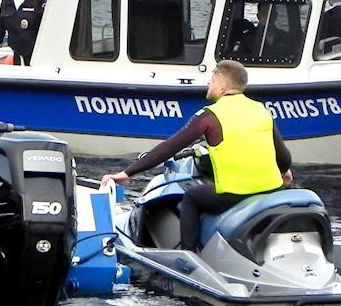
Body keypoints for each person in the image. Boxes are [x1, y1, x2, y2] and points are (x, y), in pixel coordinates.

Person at [101, 60, 293, 252]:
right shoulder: (261, 110)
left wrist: (128, 173)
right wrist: (283, 172)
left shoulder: (210, 115)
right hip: (270, 190)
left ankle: (188, 255)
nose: (208, 83)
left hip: (234, 196)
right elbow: (284, 158)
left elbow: (170, 147)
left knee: (191, 197)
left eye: (211, 79)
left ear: (222, 86)